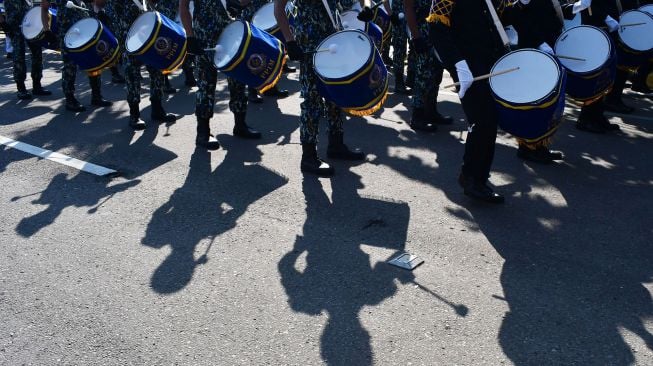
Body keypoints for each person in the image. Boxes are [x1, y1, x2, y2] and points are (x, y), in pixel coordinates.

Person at [428, 0, 523, 203]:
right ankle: (472, 179)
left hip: (491, 61)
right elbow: (436, 27)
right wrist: (457, 63)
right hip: (466, 65)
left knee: (489, 120)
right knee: (482, 120)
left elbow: (501, 19)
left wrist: (521, 4)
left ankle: (476, 176)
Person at [274, 0, 365, 176]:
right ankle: (308, 157)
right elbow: (279, 9)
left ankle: (336, 144)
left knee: (336, 94)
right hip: (310, 44)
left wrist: (362, 11)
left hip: (333, 41)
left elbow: (345, 4)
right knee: (312, 100)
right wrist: (290, 41)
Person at [180, 0, 262, 150]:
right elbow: (183, 7)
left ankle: (240, 124)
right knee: (206, 84)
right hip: (204, 35)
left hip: (231, 32)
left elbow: (242, 3)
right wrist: (190, 37)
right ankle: (203, 132)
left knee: (238, 80)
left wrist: (241, 4)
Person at [507, 0, 568, 163]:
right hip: (532, 48)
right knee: (534, 101)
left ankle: (539, 145)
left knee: (546, 101)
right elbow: (515, 17)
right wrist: (538, 42)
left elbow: (551, 12)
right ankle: (528, 147)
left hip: (547, 44)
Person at [106, 0, 177, 130]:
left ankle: (157, 109)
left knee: (157, 72)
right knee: (132, 76)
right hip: (131, 39)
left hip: (149, 37)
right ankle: (134, 115)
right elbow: (114, 19)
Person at [40, 0, 112, 111]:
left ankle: (96, 96)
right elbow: (44, 7)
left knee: (94, 63)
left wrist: (100, 12)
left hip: (87, 31)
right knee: (70, 66)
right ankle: (70, 99)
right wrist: (46, 30)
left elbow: (95, 3)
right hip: (68, 34)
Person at [402, 0, 453, 132]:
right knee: (423, 75)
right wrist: (416, 37)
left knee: (437, 72)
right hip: (423, 31)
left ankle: (431, 111)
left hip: (439, 30)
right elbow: (408, 8)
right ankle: (417, 116)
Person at [4, 0, 52, 100]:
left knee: (37, 55)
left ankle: (37, 86)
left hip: (31, 26)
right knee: (19, 58)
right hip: (14, 27)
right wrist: (2, 22)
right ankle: (21, 89)